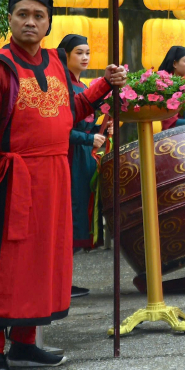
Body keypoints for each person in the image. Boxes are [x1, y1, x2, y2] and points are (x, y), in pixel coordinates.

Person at [0, 0, 126, 370]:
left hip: (54, 179)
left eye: (39, 15)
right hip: (14, 180)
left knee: (41, 264)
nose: (30, 22)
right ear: (10, 19)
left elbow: (73, 112)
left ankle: (24, 343)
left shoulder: (55, 62)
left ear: (49, 22)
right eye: (22, 14)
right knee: (6, 265)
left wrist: (105, 84)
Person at [58, 34, 111, 299]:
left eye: (88, 52)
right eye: (79, 52)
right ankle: (58, 284)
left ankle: (64, 282)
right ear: (65, 55)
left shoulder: (85, 86)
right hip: (69, 160)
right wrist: (91, 137)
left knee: (80, 218)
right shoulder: (62, 86)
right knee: (68, 218)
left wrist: (103, 128)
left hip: (84, 160)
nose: (85, 57)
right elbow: (60, 129)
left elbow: (86, 125)